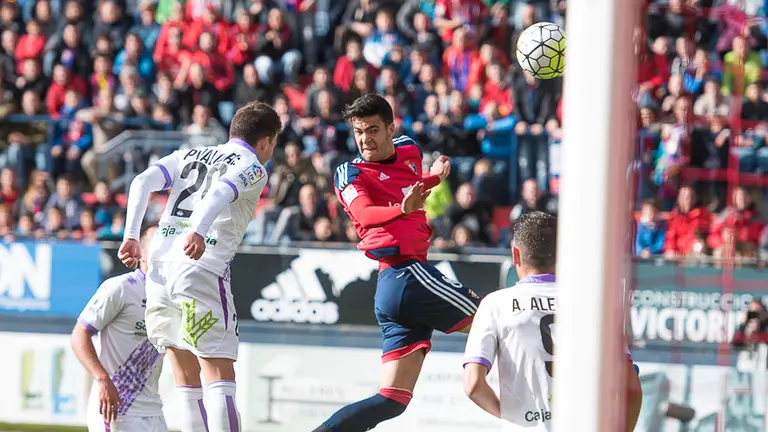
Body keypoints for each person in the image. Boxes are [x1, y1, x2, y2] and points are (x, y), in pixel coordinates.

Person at [313, 94, 482, 432]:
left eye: (373, 130)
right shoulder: (350, 172)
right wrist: (400, 209)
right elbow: (364, 213)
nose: (365, 139)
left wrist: (433, 178)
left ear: (391, 129)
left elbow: (411, 189)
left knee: (392, 400)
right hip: (404, 274)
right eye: (359, 132)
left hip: (398, 289)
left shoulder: (409, 149)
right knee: (496, 321)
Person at [117, 101, 282, 432]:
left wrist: (132, 236)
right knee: (219, 373)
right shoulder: (253, 166)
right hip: (200, 265)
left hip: (159, 269)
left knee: (185, 377)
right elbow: (220, 191)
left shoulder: (189, 154)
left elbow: (141, 182)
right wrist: (198, 231)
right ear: (265, 140)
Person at [462, 211, 643, 431]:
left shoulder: (495, 304)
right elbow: (631, 389)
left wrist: (512, 418)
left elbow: (473, 385)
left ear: (515, 255)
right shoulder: (595, 304)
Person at [71, 225, 168, 432]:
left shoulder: (172, 296)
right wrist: (102, 378)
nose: (164, 251)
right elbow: (79, 334)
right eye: (157, 246)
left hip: (154, 411)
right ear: (141, 253)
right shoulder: (120, 288)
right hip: (115, 410)